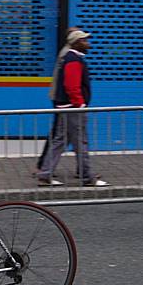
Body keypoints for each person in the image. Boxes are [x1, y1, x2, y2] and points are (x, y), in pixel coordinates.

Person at [36, 29, 109, 187]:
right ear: (76, 43)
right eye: (84, 41)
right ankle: (87, 177)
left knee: (60, 141)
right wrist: (80, 104)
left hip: (66, 107)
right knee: (80, 142)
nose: (87, 43)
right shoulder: (73, 59)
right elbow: (72, 85)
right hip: (72, 109)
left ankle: (45, 174)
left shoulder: (70, 58)